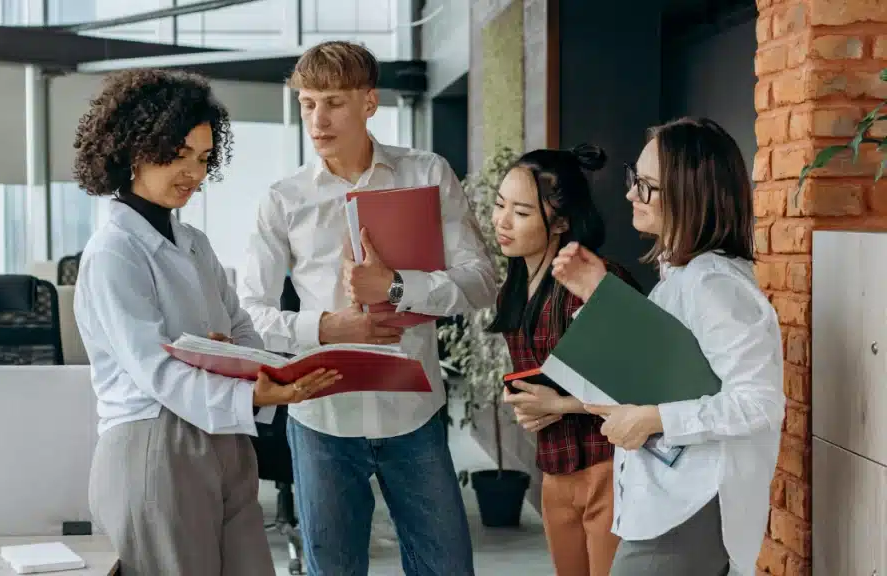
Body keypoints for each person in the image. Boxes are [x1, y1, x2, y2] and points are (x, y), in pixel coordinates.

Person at [239, 41, 496, 576]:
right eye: (307, 103)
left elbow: (481, 283)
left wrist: (396, 286)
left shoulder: (426, 173)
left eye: (333, 102)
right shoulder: (282, 199)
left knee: (447, 568)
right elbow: (252, 315)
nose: (318, 118)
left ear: (369, 103)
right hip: (321, 418)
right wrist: (331, 326)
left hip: (413, 414)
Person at [70, 69, 341, 576]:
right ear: (131, 150)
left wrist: (245, 365)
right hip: (157, 445)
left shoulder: (194, 243)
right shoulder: (114, 253)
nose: (193, 173)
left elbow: (242, 330)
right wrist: (251, 389)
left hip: (226, 442)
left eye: (202, 158)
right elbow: (157, 369)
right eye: (177, 156)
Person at [549, 117, 786, 576]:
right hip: (664, 503)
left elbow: (760, 404)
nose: (630, 195)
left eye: (646, 185)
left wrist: (654, 418)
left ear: (690, 192)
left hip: (688, 508)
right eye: (632, 179)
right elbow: (664, 375)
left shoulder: (714, 286)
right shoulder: (681, 277)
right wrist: (602, 303)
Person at [490, 145, 640, 576]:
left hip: (611, 467)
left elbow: (643, 383)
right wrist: (525, 404)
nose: (502, 221)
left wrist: (557, 405)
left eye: (520, 212)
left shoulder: (597, 280)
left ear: (560, 222)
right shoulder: (511, 291)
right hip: (554, 472)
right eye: (500, 205)